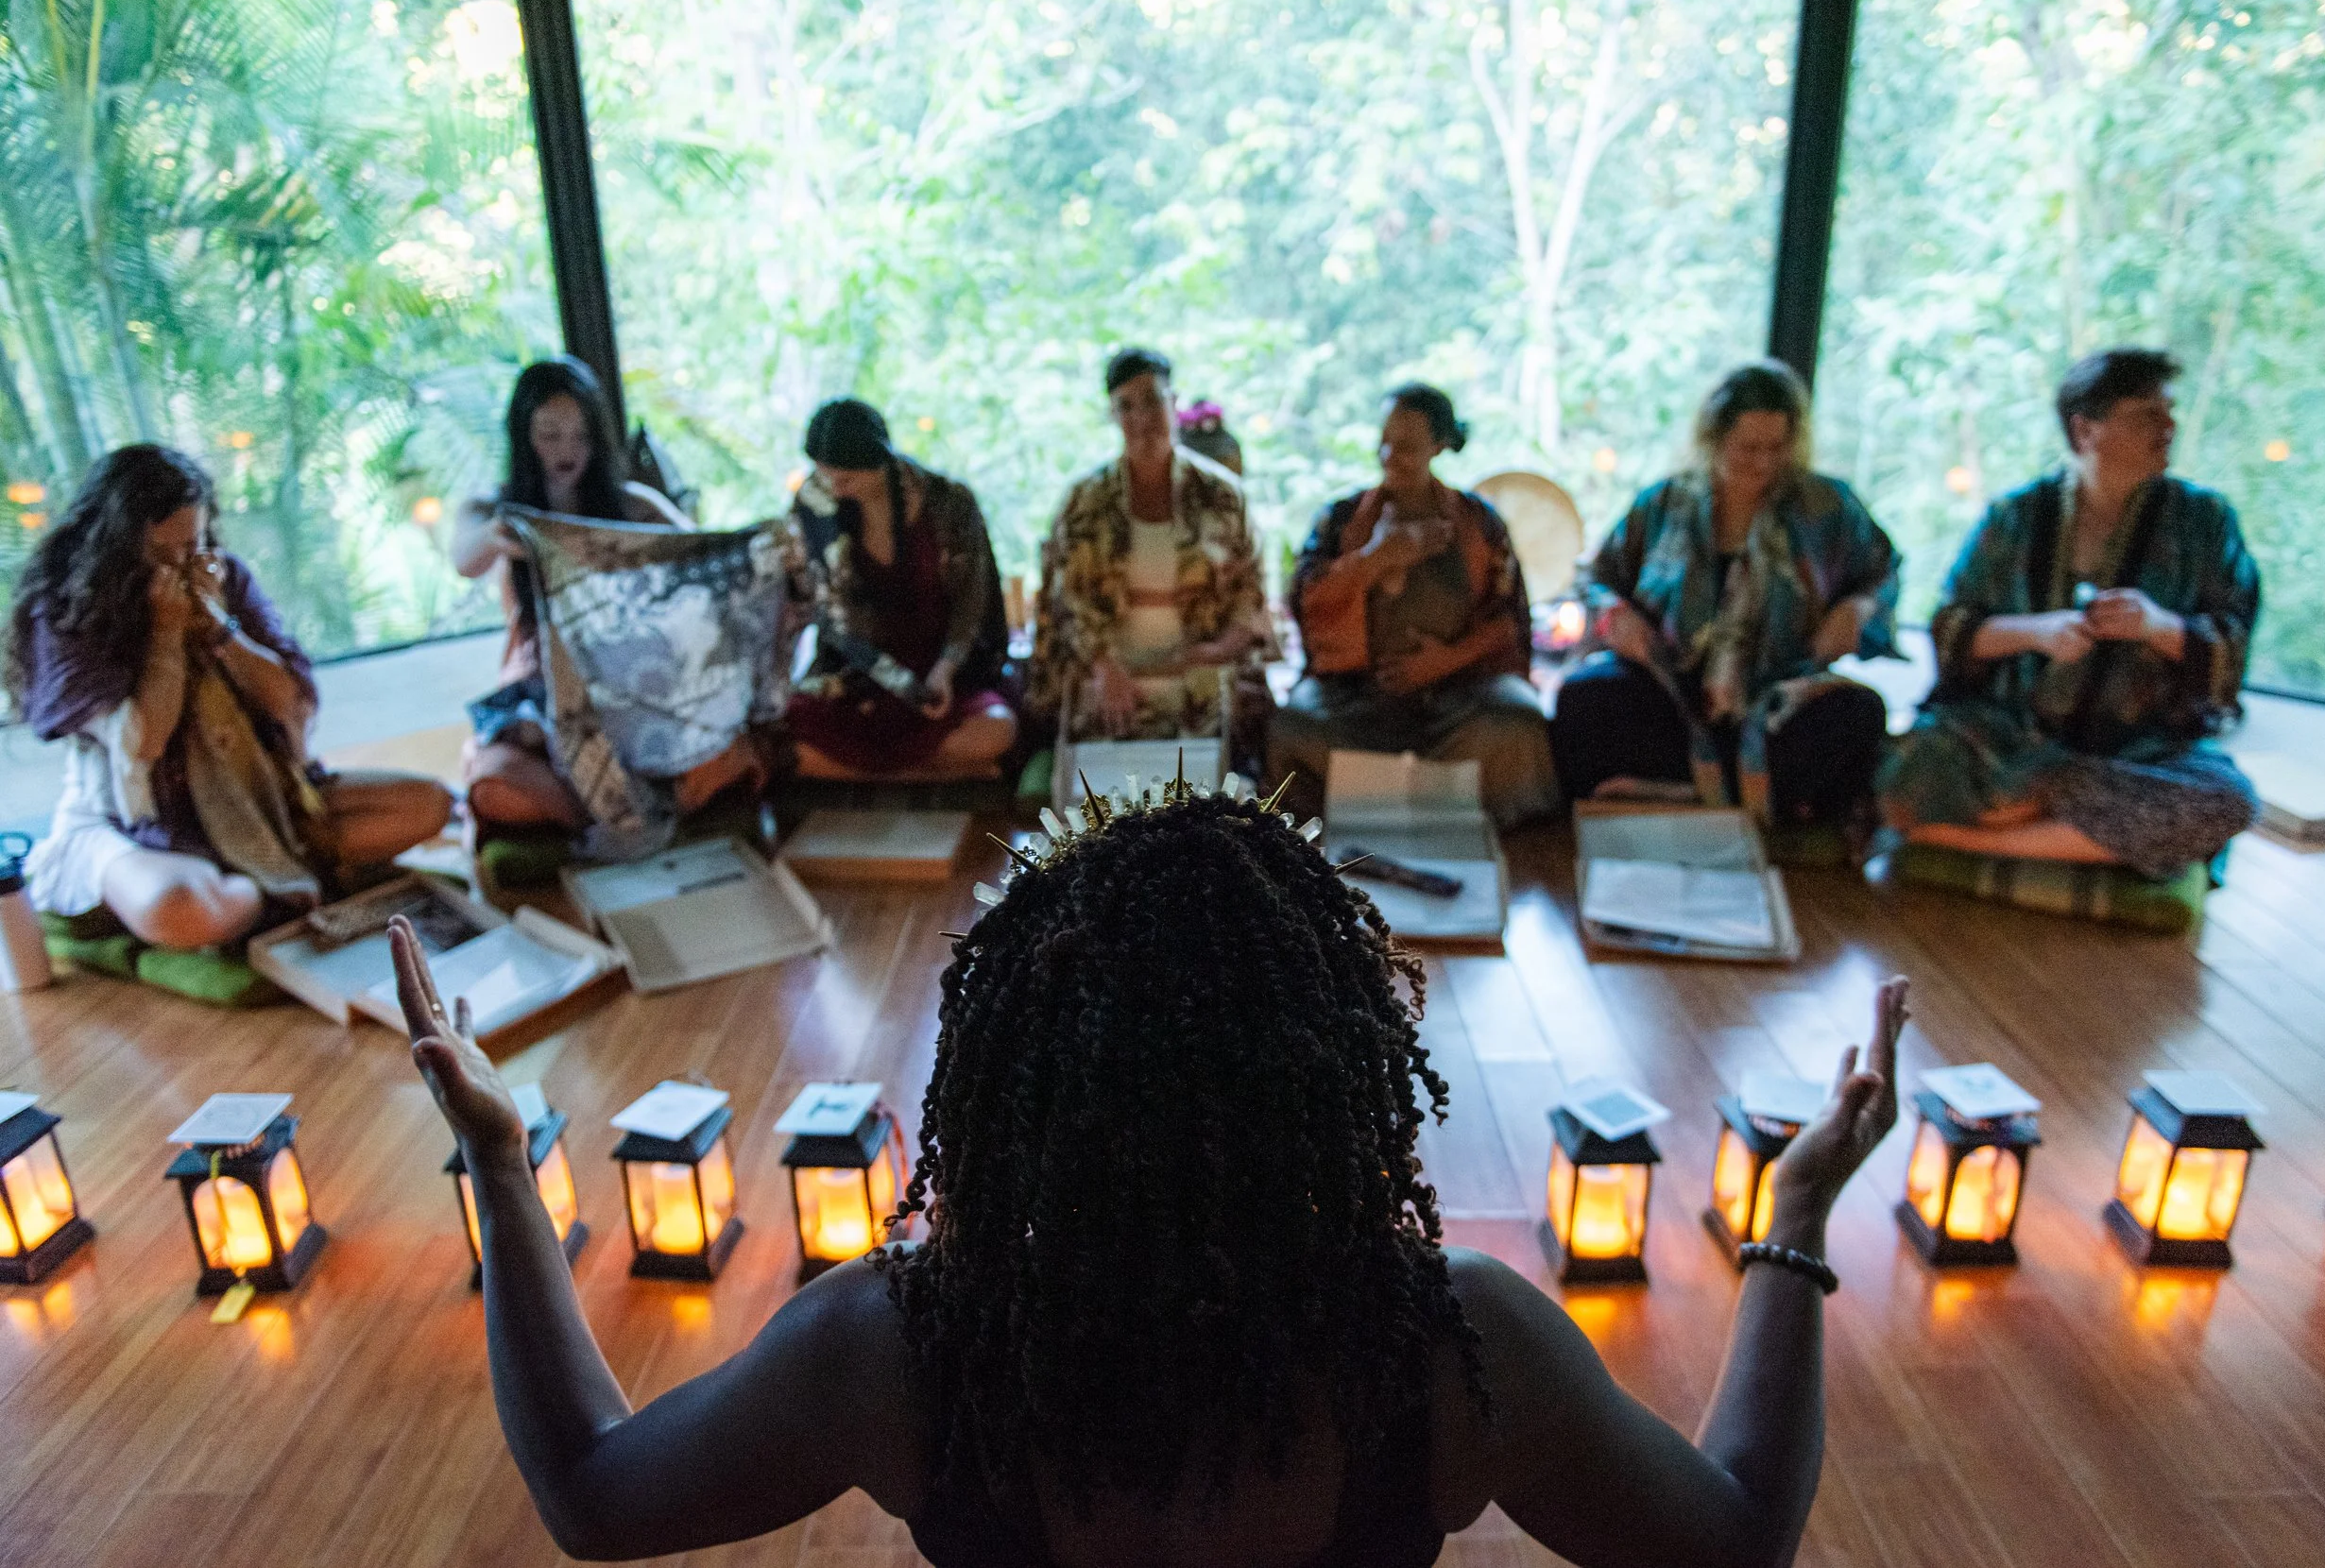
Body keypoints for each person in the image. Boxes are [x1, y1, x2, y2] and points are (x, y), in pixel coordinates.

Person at [398, 781, 1906, 1568]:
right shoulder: (1456, 1348)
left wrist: (500, 1161)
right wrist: (1790, 1228)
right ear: (1334, 1072)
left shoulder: (895, 1345)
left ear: (1020, 1074)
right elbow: (1735, 1541)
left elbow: (594, 1496)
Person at [8, 446, 451, 950]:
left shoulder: (222, 578)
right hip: (136, 826)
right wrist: (166, 636)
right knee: (181, 911)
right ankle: (269, 887)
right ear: (116, 549)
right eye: (160, 558)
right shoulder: (65, 609)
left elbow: (292, 705)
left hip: (264, 796)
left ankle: (266, 873)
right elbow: (141, 744)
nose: (179, 568)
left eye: (189, 548)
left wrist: (221, 631)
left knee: (428, 805)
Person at [1879, 349, 2260, 876]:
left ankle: (1965, 838)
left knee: (2228, 799)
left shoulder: (2205, 521)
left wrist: (2158, 626)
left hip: (2138, 755)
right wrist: (2034, 633)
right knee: (1905, 761)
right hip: (2008, 740)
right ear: (2086, 431)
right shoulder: (2013, 517)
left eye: (2170, 413)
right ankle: (2074, 829)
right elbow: (1951, 632)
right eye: (2150, 414)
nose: (2170, 427)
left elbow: (2232, 644)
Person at [1551, 362, 1899, 828]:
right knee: (1584, 697)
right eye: (1748, 448)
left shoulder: (1827, 506)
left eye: (1777, 448)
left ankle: (1681, 795)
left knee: (1859, 713)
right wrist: (1615, 615)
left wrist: (1859, 609)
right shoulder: (1664, 504)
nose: (1762, 463)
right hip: (1671, 693)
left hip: (1778, 698)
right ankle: (1742, 799)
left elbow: (1882, 575)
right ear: (1714, 439)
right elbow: (1597, 580)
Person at [450, 358, 759, 832]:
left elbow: (704, 559)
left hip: (629, 681)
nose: (567, 450)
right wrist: (501, 533)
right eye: (550, 435)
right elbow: (464, 559)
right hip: (539, 690)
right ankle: (624, 816)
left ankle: (629, 807)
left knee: (721, 750)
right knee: (493, 786)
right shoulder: (495, 508)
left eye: (580, 436)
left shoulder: (631, 503)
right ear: (524, 436)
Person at [1270, 384, 1556, 827]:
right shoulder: (1340, 518)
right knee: (1292, 728)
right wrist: (1375, 559)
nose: (1388, 454)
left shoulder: (1478, 521)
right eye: (1383, 441)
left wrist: (1444, 661)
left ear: (1438, 446)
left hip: (1458, 696)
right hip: (1356, 698)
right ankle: (1422, 806)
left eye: (1404, 446)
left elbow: (1508, 620)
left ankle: (1401, 807)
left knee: (1519, 725)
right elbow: (1306, 603)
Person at [1029, 349, 1268, 742]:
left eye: (1153, 401)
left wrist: (1214, 653)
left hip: (1199, 678)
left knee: (1198, 795)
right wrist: (1104, 668)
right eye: (1126, 407)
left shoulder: (1223, 497)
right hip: (1108, 681)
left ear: (1173, 403)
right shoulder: (1084, 502)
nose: (1142, 419)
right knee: (1105, 797)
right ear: (1113, 416)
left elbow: (1250, 591)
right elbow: (1064, 599)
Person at [785, 400, 1016, 777]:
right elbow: (829, 614)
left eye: (847, 479)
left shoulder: (947, 501)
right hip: (859, 672)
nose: (835, 489)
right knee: (786, 736)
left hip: (939, 673)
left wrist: (944, 668)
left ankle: (866, 771)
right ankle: (936, 770)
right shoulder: (817, 500)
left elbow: (972, 601)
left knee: (997, 729)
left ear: (880, 461)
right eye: (826, 476)